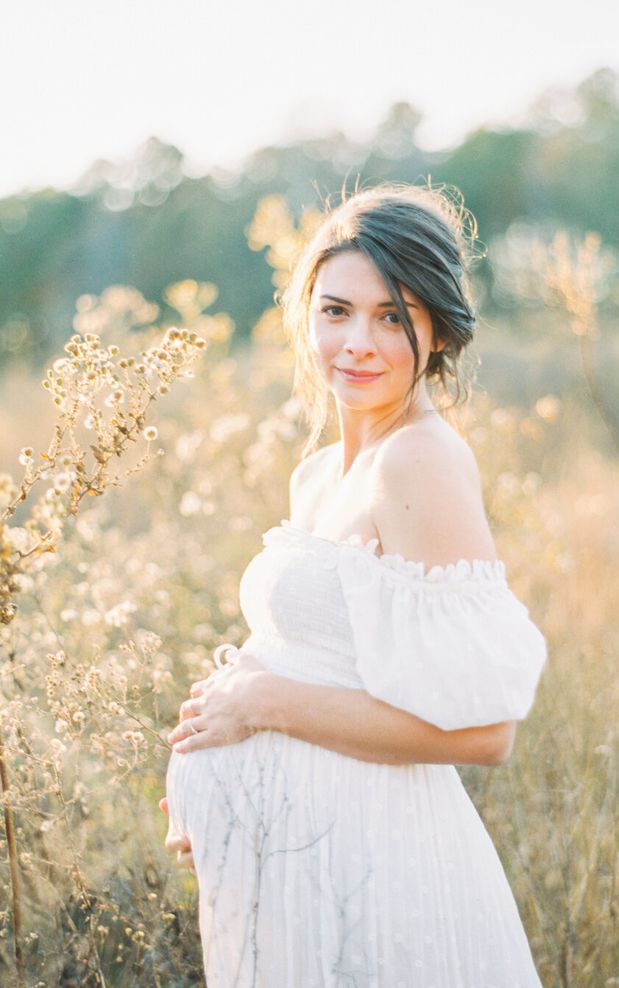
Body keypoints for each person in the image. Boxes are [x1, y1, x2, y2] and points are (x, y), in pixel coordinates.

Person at [160, 181, 548, 986]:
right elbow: (321, 663)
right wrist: (215, 777)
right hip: (294, 863)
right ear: (305, 316)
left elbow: (486, 735)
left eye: (392, 316)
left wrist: (263, 708)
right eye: (336, 311)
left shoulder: (420, 460)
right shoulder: (315, 477)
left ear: (435, 328)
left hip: (381, 866)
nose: (358, 343)